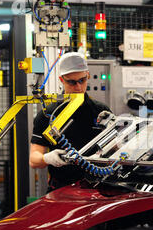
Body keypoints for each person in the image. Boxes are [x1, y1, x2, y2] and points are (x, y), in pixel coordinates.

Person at [29, 52, 111, 192]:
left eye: (82, 80)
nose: (78, 87)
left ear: (88, 76)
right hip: (62, 188)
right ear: (61, 80)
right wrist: (47, 158)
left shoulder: (101, 111)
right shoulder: (47, 114)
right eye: (71, 82)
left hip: (96, 189)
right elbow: (33, 159)